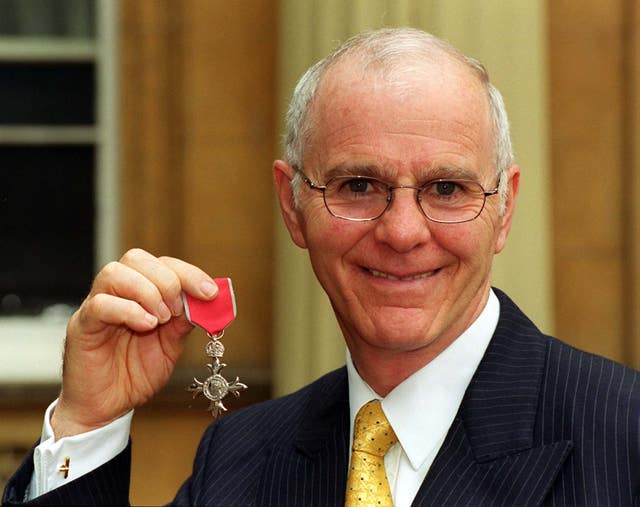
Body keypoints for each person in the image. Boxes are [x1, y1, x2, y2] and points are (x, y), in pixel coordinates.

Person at [3, 27, 638, 507]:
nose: (403, 231)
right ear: (293, 204)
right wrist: (87, 428)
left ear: (503, 210)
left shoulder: (624, 440)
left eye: (447, 189)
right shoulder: (239, 462)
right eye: (359, 185)